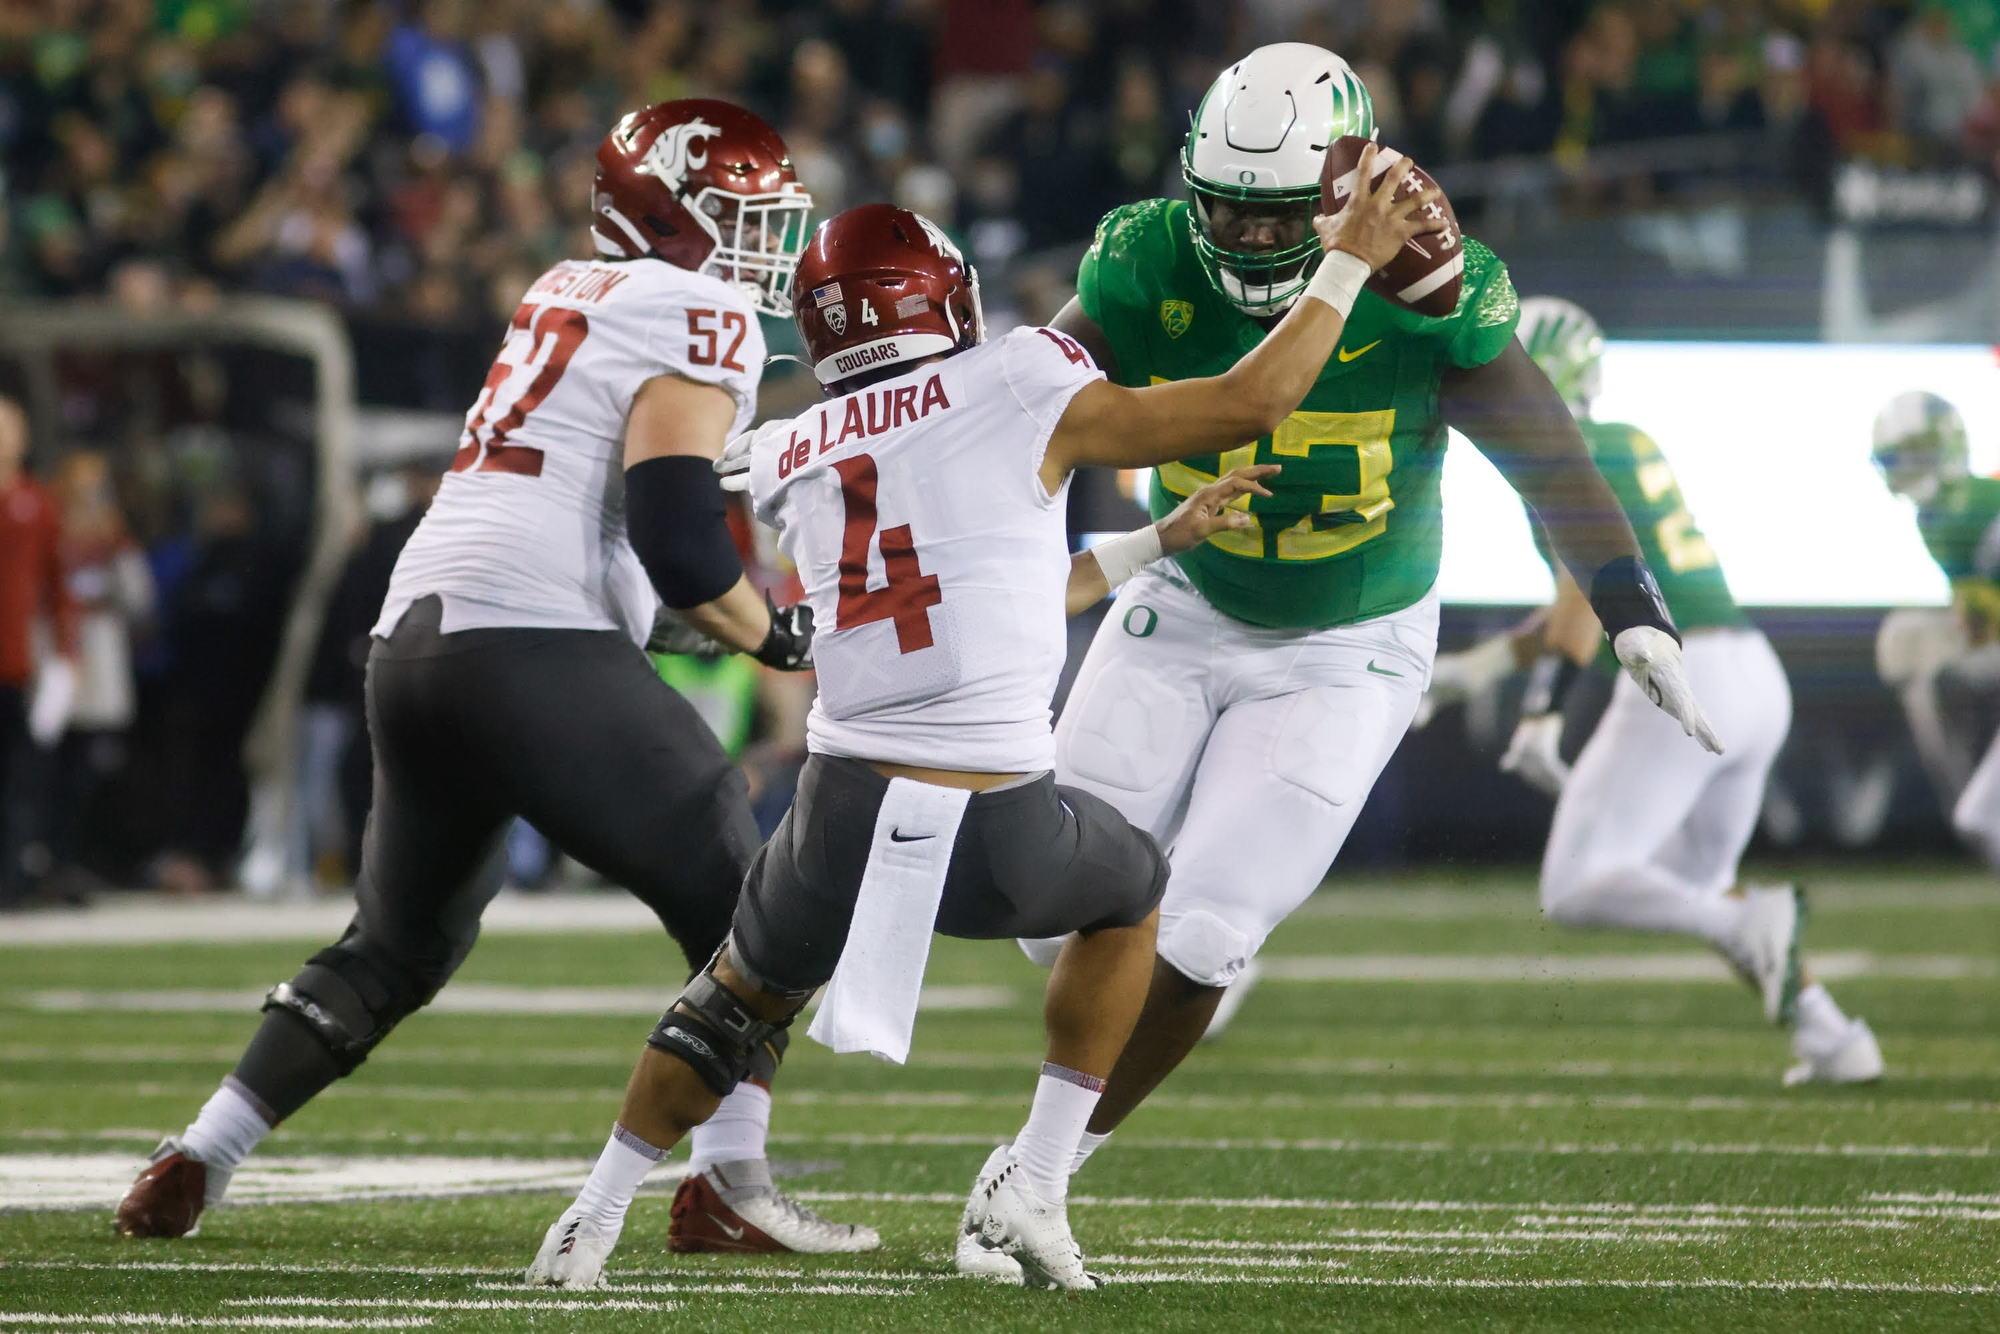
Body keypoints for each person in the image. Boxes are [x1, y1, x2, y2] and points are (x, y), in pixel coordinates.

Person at [526, 157, 1447, 1290]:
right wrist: (1348, 254)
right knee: (1133, 889)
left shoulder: (793, 445)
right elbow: (1248, 403)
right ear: (936, 295)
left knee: (731, 998)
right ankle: (1039, 1177)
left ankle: (590, 1214)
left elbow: (951, 587)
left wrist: (1160, 541)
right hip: (995, 820)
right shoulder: (1013, 379)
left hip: (835, 819)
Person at [964, 43, 1721, 1280]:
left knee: (1204, 932)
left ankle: (1036, 1174)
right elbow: (1018, 411)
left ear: (1340, 186)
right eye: (1220, 203)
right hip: (1183, 592)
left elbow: (1540, 442)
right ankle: (1043, 1145)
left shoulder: (1426, 275)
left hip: (1349, 637)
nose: (1240, 233)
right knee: (1051, 908)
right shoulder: (1146, 253)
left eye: (1270, 211)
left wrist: (1627, 604)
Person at [116, 99, 873, 1257]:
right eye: (737, 215)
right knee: (754, 890)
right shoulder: (700, 306)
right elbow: (679, 538)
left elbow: (595, 536)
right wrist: (774, 635)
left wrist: (683, 627)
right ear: (665, 212)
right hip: (528, 642)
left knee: (396, 944)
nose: (761, 245)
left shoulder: (566, 288)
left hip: (418, 640)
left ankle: (199, 1150)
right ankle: (725, 1181)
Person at [1427, 297, 1881, 1086]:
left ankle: (1753, 924)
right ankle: (1836, 1041)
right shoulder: (1625, 439)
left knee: (1576, 887)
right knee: (1697, 884)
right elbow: (1579, 601)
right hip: (1750, 671)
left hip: (1686, 679)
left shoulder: (1562, 452)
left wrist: (1540, 714)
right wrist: (1476, 671)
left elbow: (1577, 603)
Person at [1873, 391, 2000, 868]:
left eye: (1915, 448)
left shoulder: (1984, 507)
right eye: (1895, 455)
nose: (1903, 464)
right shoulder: (1935, 521)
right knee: (1979, 819)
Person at [0, 395, 78, 909]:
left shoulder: (36, 502)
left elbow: (58, 587)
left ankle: (12, 878)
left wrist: (67, 657)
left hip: (14, 665)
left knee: (19, 781)